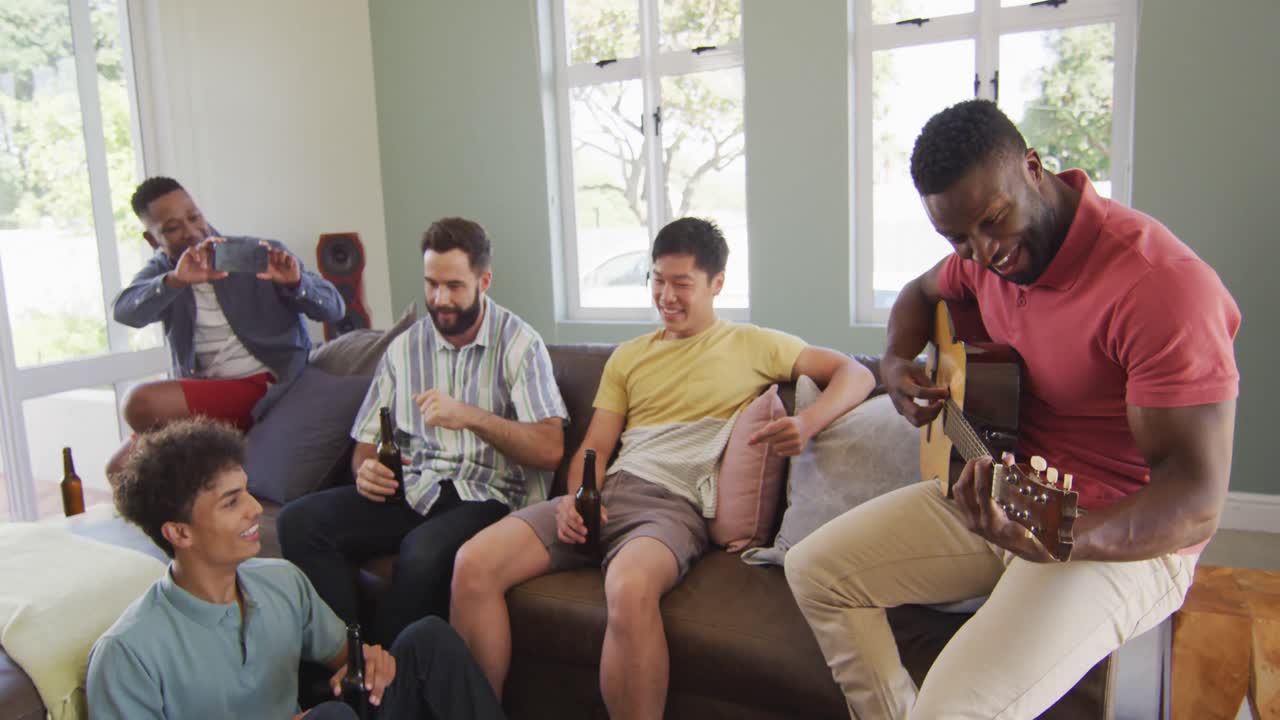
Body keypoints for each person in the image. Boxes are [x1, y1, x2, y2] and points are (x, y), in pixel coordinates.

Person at [784, 99, 1241, 719]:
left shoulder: (1161, 287)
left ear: (1032, 166)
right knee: (816, 572)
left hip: (1119, 533)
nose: (983, 253)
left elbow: (1194, 504)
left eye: (993, 221)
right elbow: (920, 294)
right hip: (1003, 490)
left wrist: (1058, 535)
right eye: (957, 239)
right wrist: (892, 364)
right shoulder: (980, 259)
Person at [450, 217, 876, 719]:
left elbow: (857, 373)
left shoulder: (754, 344)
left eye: (681, 284)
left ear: (717, 284)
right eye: (657, 280)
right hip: (604, 497)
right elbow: (594, 448)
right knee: (472, 565)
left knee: (629, 589)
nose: (666, 296)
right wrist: (572, 498)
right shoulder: (628, 358)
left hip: (670, 507)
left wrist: (806, 423)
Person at [86, 418, 506, 720]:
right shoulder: (128, 653)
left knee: (426, 640)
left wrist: (372, 662)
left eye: (247, 492)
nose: (254, 509)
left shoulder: (282, 583)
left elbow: (351, 659)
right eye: (231, 502)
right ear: (179, 532)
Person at [278, 217, 568, 646]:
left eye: (454, 286)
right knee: (298, 522)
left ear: (484, 280)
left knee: (423, 553)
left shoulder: (520, 345)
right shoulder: (403, 349)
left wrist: (471, 416)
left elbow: (550, 449)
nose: (439, 299)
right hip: (414, 487)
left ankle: (387, 684)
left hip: (486, 494)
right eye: (431, 284)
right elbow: (365, 445)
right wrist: (366, 471)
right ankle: (346, 660)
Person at [107, 176, 344, 478]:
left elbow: (334, 308)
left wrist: (297, 283)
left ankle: (200, 458)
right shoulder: (164, 272)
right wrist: (176, 282)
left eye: (194, 217)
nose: (192, 232)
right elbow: (126, 311)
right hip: (207, 391)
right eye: (172, 228)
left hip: (267, 386)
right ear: (152, 240)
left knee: (140, 403)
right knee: (119, 469)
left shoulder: (257, 253)